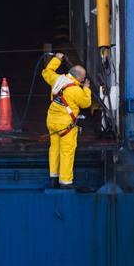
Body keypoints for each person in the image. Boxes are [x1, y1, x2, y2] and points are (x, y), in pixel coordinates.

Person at [41, 52, 91, 189]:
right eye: (83, 78)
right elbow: (86, 103)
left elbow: (47, 72)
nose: (83, 80)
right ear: (79, 78)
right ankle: (65, 182)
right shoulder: (76, 90)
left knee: (54, 148)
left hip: (51, 121)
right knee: (67, 151)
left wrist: (57, 59)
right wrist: (86, 89)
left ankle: (53, 177)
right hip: (66, 125)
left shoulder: (57, 79)